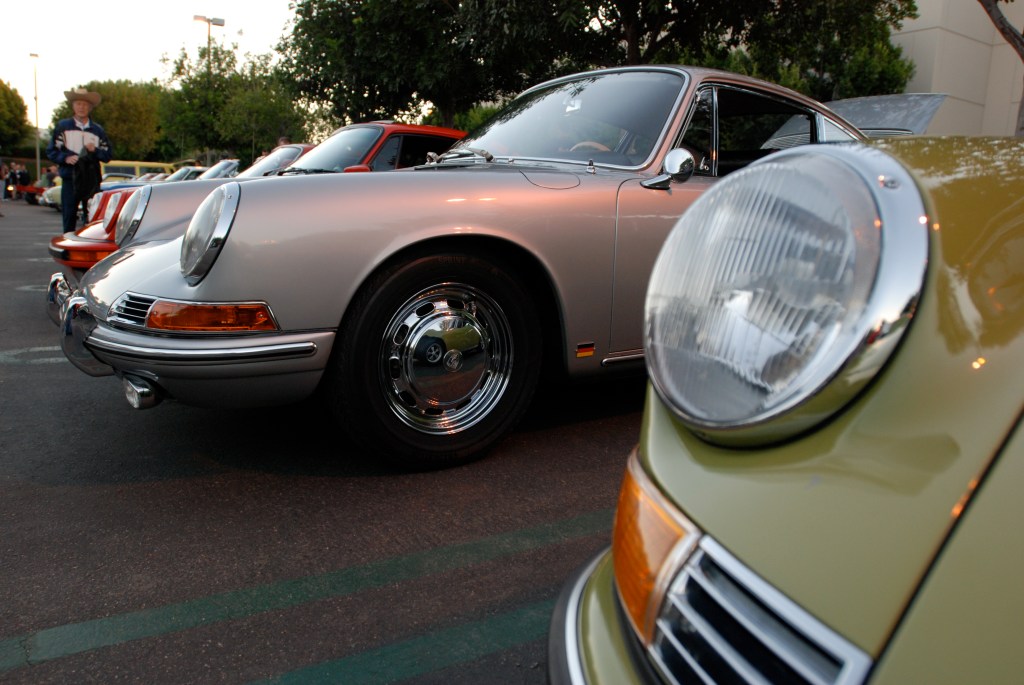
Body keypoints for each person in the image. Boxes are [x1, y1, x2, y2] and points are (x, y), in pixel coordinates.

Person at [46, 87, 112, 233]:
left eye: (85, 104)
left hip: (90, 181)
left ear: (90, 107)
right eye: (78, 104)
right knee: (69, 215)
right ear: (73, 106)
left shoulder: (97, 130)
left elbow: (108, 155)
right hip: (70, 178)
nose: (81, 107)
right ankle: (68, 248)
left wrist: (95, 150)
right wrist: (65, 158)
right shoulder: (63, 127)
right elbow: (51, 151)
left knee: (92, 217)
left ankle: (90, 248)